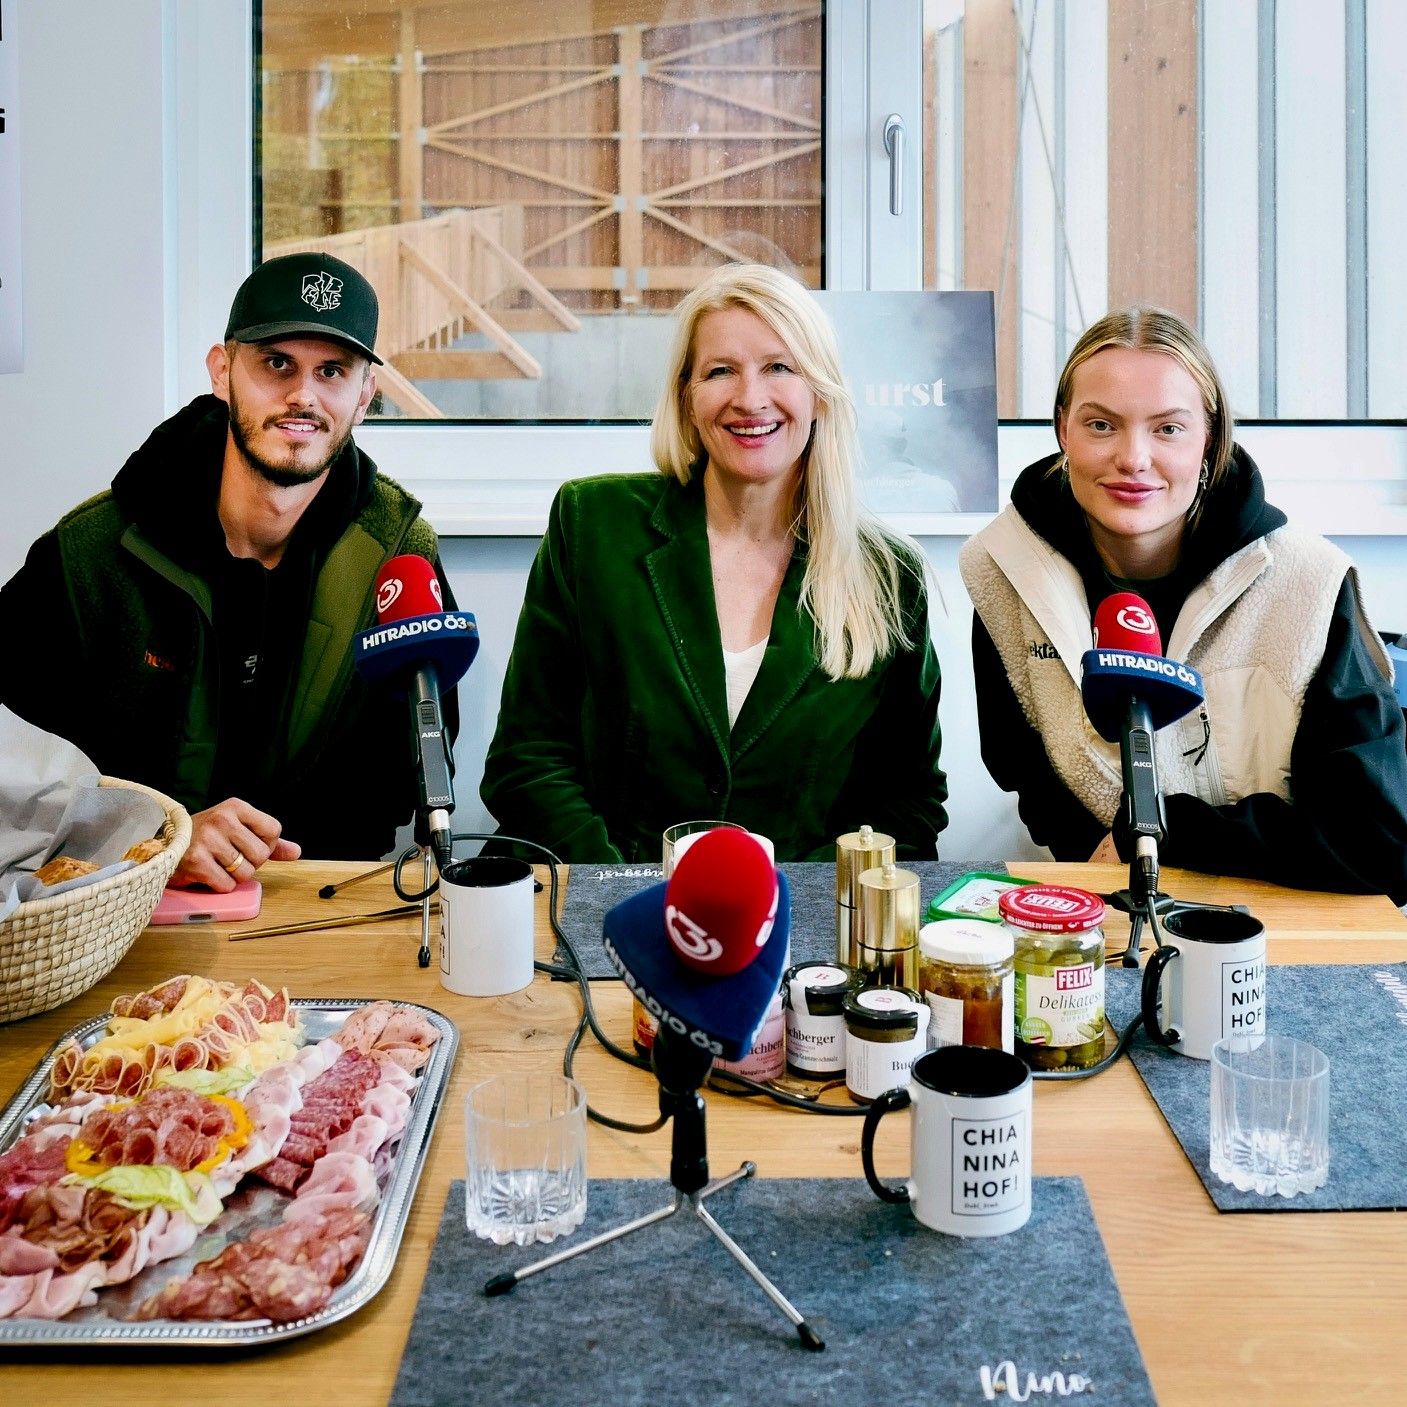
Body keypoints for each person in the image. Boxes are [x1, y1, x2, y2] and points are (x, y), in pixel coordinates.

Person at [0, 253, 457, 889]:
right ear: (223, 372)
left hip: (325, 906)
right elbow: (14, 777)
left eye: (332, 371)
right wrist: (157, 838)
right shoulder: (91, 555)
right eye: (278, 365)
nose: (304, 395)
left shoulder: (400, 557)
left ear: (365, 395)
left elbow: (410, 779)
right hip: (126, 908)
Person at [481, 263, 947, 863]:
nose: (750, 399)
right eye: (720, 371)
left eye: (780, 367)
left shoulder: (888, 575)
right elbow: (527, 759)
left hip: (791, 935)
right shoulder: (591, 523)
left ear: (819, 392)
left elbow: (907, 804)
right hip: (604, 922)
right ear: (687, 396)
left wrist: (781, 908)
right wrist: (630, 900)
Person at [960, 306, 1407, 903]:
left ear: (1210, 440)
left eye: (1168, 428)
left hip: (1287, 914)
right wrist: (1107, 871)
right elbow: (1026, 774)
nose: (1133, 458)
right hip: (1110, 907)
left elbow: (1382, 840)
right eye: (1101, 425)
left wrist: (1162, 834)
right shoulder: (1007, 574)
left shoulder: (1311, 583)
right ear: (1063, 429)